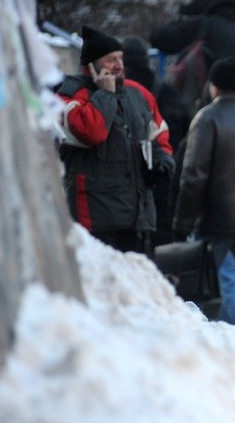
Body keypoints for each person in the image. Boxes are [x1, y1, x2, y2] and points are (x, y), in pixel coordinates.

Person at [172, 57, 235, 340]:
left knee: (196, 284)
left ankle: (200, 344)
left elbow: (193, 174)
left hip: (215, 220)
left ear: (214, 86)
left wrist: (183, 222)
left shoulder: (207, 118)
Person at [56, 25, 174, 255]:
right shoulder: (70, 96)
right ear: (91, 65)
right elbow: (91, 131)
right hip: (96, 219)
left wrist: (163, 163)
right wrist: (106, 94)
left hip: (137, 218)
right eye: (111, 60)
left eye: (120, 58)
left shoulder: (138, 94)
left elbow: (159, 134)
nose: (119, 65)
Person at [121, 36, 192, 247]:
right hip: (164, 180)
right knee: (163, 246)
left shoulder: (118, 93)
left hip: (127, 184)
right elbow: (186, 136)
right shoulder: (168, 94)